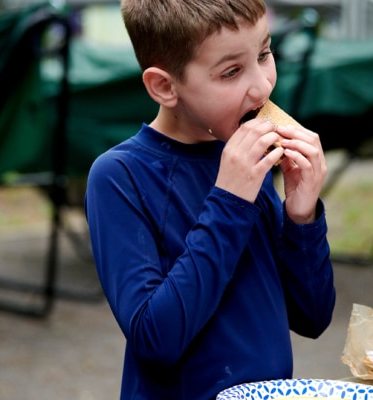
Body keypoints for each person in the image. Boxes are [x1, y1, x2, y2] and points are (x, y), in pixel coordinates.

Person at [85, 0, 336, 399]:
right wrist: (230, 200)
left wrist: (302, 216)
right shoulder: (120, 176)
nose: (262, 86)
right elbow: (155, 340)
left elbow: (312, 316)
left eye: (264, 54)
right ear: (165, 86)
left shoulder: (241, 154)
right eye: (232, 71)